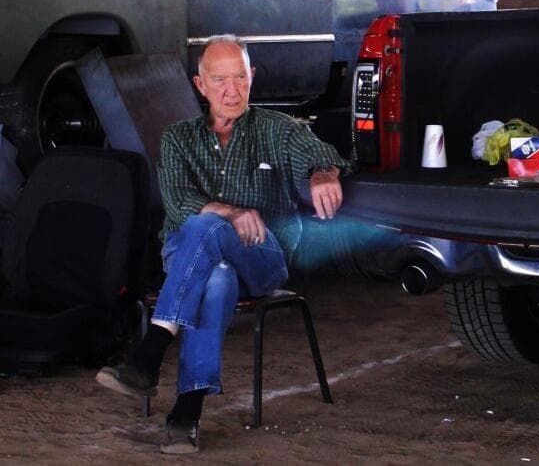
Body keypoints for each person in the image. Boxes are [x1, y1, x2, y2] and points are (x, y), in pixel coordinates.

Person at [100, 34, 351, 454]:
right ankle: (187, 411)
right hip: (193, 259)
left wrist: (324, 170)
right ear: (200, 85)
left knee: (207, 227)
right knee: (214, 272)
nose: (231, 91)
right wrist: (232, 213)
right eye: (219, 81)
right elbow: (179, 203)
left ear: (252, 77)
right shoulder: (178, 138)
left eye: (240, 77)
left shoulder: (278, 130)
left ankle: (152, 350)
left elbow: (323, 151)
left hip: (262, 258)